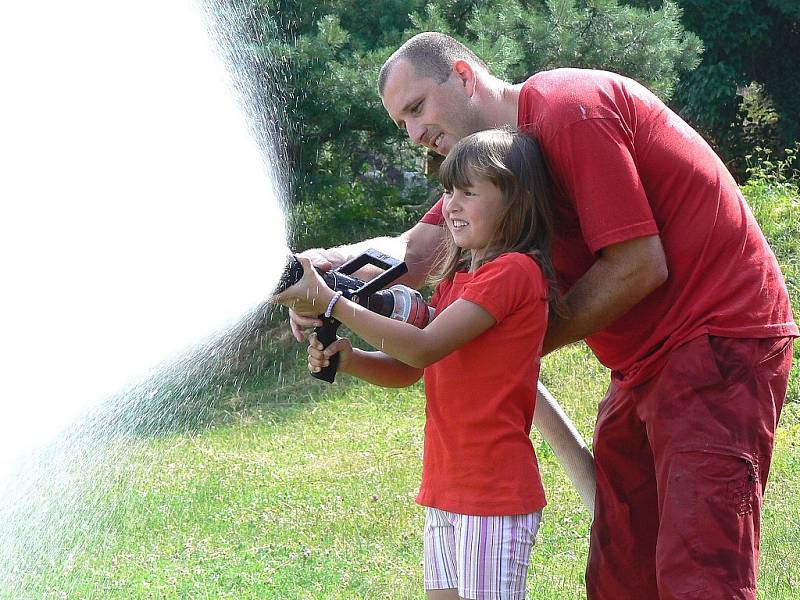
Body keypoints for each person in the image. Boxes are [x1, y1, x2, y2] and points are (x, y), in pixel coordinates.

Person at [288, 32, 798, 599]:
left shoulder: (568, 110)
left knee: (699, 571)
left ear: (463, 74)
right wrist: (316, 271)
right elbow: (416, 252)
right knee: (621, 573)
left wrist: (502, 338)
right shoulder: (500, 166)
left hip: (718, 336)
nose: (413, 134)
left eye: (417, 108)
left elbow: (637, 265)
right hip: (642, 362)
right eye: (400, 123)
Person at [278, 129, 564, 600]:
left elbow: (423, 347)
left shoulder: (515, 272)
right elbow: (410, 368)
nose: (451, 204)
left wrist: (332, 303)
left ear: (518, 200)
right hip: (447, 489)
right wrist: (349, 359)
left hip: (492, 496)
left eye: (469, 192)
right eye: (448, 190)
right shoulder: (459, 280)